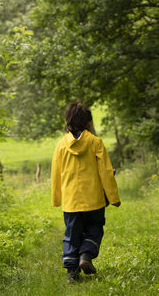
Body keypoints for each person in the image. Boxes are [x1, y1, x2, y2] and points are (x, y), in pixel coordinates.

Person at [51, 101, 121, 283]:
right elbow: (106, 172)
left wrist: (56, 199)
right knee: (94, 229)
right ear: (89, 123)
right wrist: (113, 197)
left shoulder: (60, 146)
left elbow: (56, 174)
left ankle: (72, 274)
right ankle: (85, 257)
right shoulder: (96, 142)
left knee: (71, 236)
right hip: (94, 200)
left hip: (71, 202)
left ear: (67, 121)